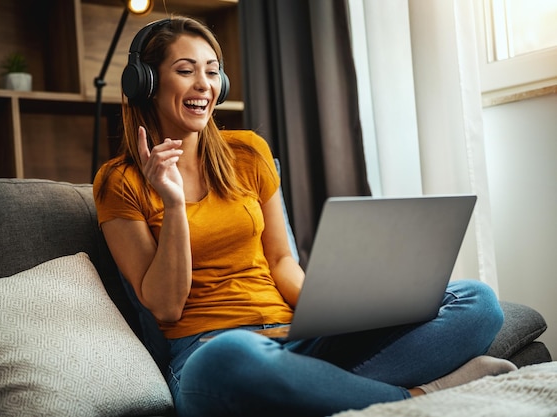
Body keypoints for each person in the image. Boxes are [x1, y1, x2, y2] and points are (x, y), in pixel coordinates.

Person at [93, 16, 516, 417]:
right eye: (186, 71)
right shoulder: (120, 181)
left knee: (478, 302)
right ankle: (420, 397)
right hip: (209, 353)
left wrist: (340, 313)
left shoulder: (248, 152)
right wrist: (173, 204)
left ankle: (319, 391)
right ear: (145, 83)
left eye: (212, 71)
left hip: (291, 337)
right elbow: (166, 307)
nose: (204, 84)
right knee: (228, 359)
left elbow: (281, 261)